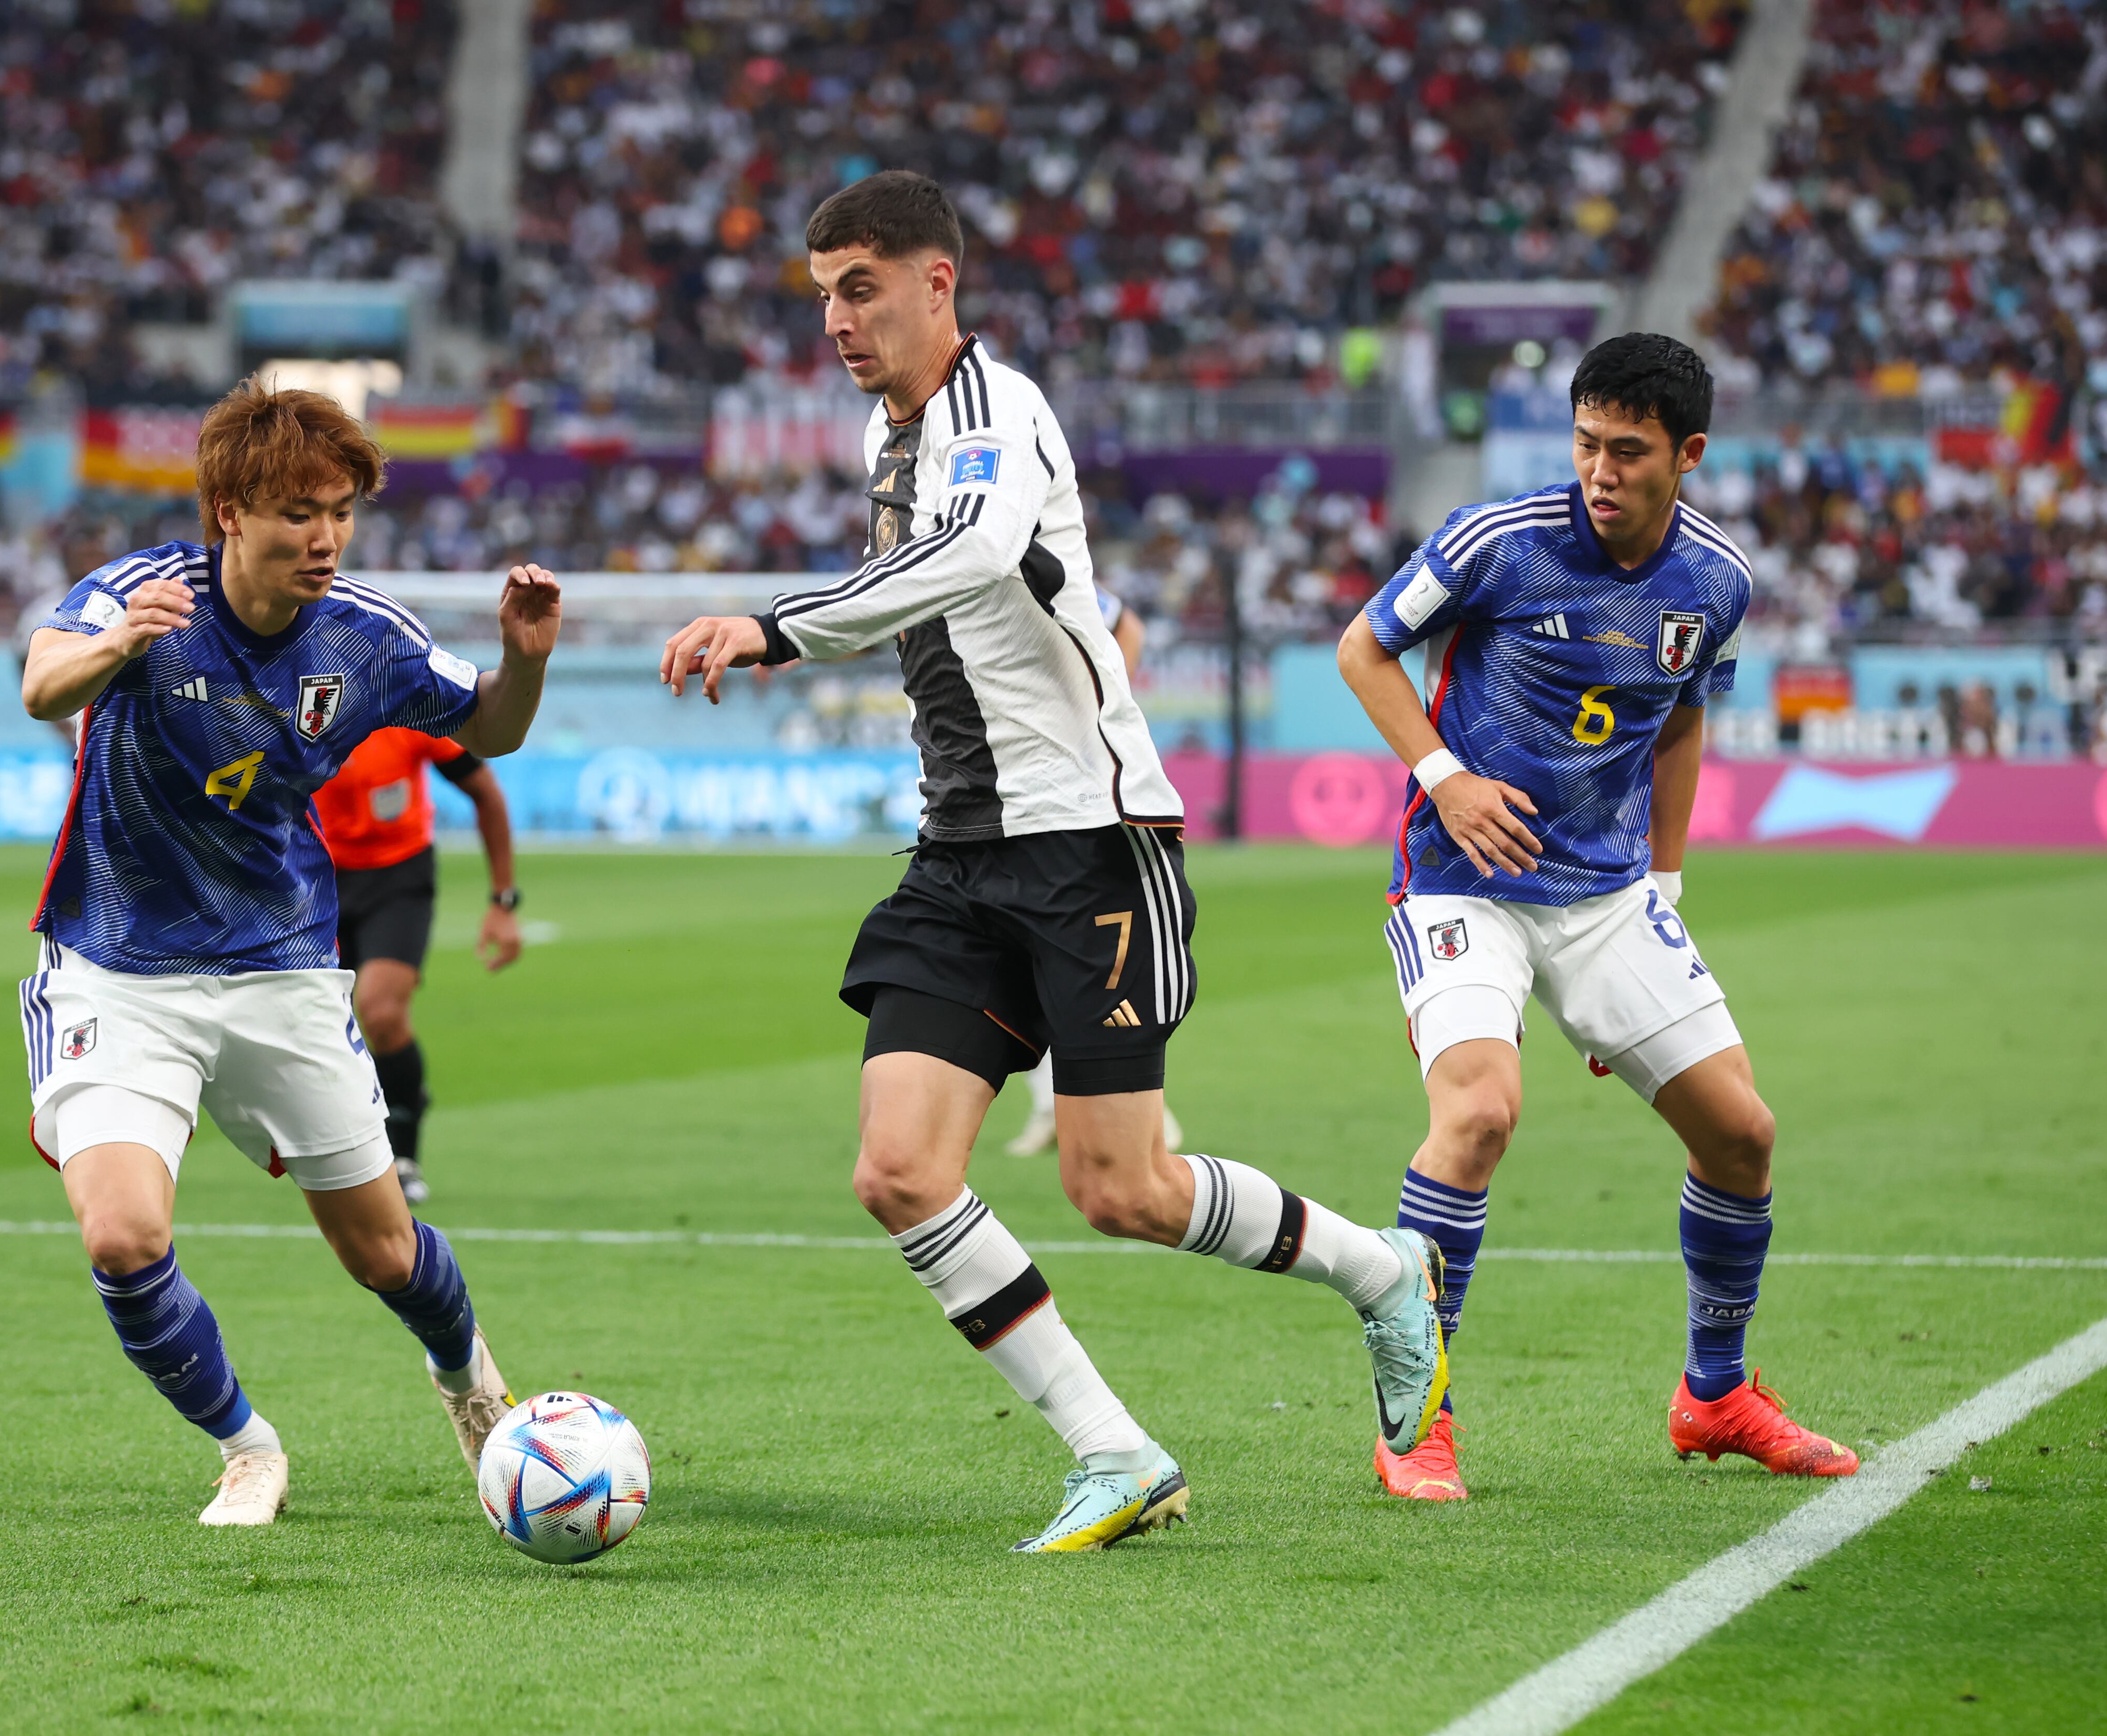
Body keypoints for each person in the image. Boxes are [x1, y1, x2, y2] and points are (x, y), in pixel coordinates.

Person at [659, 171, 1447, 1554]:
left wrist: (777, 626)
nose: (838, 318)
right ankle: (1116, 1450)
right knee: (899, 1168)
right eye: (823, 293)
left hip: (1089, 840)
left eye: (861, 286)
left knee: (1121, 1186)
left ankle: (1384, 1274)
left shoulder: (997, 414)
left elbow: (968, 561)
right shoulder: (880, 436)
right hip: (960, 852)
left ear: (936, 281)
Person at [16, 378, 562, 1526]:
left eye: (341, 512)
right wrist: (115, 643)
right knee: (122, 1234)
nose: (324, 538)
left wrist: (524, 663)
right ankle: (246, 1446)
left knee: (383, 1252)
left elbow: (492, 730)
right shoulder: (138, 595)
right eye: (297, 513)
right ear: (229, 511)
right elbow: (40, 684)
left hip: (281, 965)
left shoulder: (364, 635)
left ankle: (469, 1384)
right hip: (118, 964)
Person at [1336, 331, 1857, 1503]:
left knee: (1742, 1135)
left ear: (1688, 454)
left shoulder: (1715, 580)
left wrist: (1664, 890)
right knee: (1477, 1113)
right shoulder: (1496, 541)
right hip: (1463, 878)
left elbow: (1679, 721)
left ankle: (1714, 1394)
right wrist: (1444, 778)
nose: (1601, 469)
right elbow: (1363, 648)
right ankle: (1414, 1414)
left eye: (1628, 450)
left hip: (1609, 894)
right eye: (1586, 443)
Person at [1004, 584, 1185, 1156]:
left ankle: (1143, 1112)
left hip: (1070, 799)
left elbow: (1126, 624)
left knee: (1083, 965)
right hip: (1000, 797)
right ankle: (1049, 1107)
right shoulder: (941, 559)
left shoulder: (1018, 557)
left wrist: (1104, 711)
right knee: (1022, 964)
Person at [312, 726, 525, 1203]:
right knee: (313, 1021)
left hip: (398, 877)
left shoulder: (408, 707)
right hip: (315, 879)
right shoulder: (297, 701)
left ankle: (403, 1154)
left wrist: (503, 902)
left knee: (381, 1012)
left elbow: (485, 792)